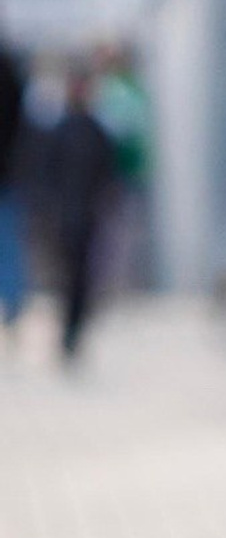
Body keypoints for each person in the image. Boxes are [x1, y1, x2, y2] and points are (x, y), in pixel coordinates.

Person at [39, 67, 120, 364]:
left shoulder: (94, 130)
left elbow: (106, 173)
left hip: (85, 212)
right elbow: (47, 173)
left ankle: (74, 329)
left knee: (80, 275)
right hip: (66, 212)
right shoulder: (62, 129)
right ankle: (67, 328)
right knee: (67, 275)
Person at [0, 33, 27, 335]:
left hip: (6, 171)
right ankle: (13, 303)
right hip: (7, 170)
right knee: (8, 241)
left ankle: (13, 303)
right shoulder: (10, 68)